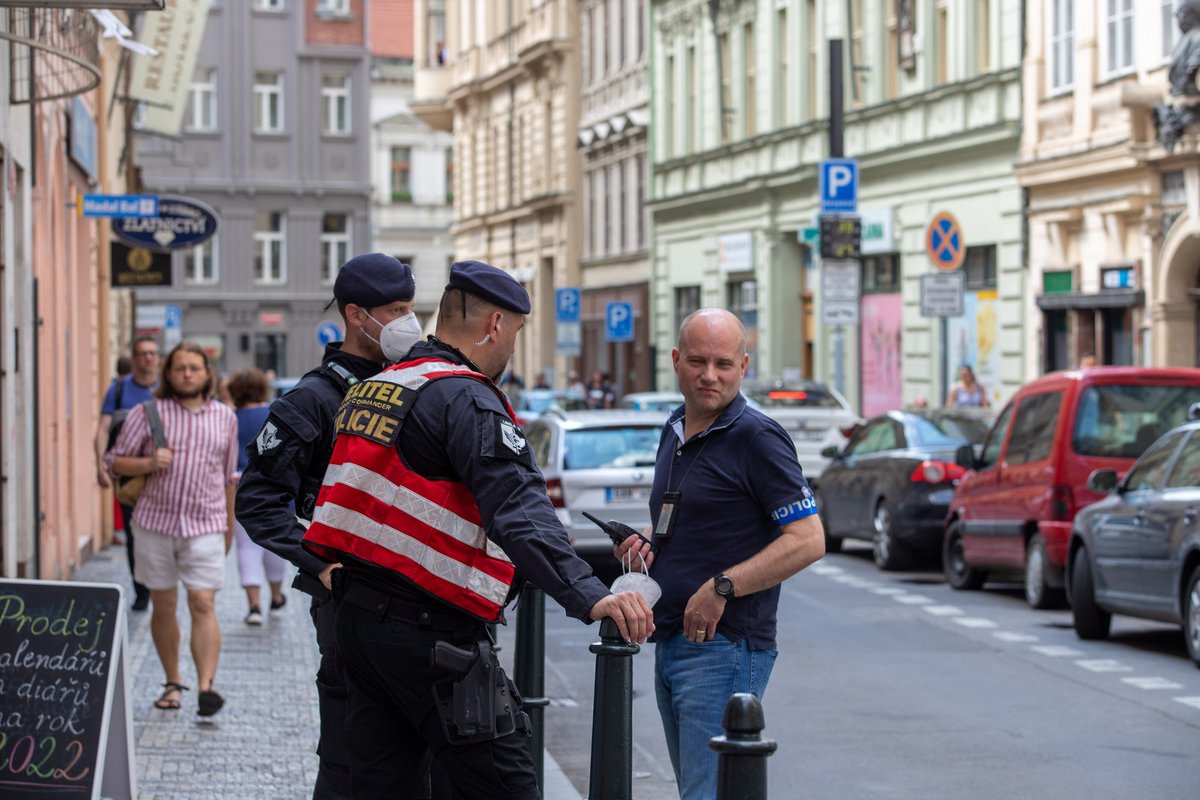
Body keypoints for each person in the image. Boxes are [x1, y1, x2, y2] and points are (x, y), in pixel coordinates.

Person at [301, 260, 654, 800]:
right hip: (431, 638)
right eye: (514, 332)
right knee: (504, 785)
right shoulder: (465, 396)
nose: (512, 347)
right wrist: (589, 595)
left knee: (379, 787)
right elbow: (517, 508)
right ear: (494, 326)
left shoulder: (381, 386)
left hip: (357, 625)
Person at [616, 308, 825, 800]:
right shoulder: (676, 427)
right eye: (697, 361)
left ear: (743, 366)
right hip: (671, 638)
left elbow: (808, 538)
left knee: (708, 795)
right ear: (675, 360)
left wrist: (721, 587)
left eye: (723, 364)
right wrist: (649, 542)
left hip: (725, 645)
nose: (710, 375)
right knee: (700, 790)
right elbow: (693, 519)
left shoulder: (758, 437)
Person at [235, 253, 419, 800]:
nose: (409, 321)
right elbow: (259, 500)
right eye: (398, 310)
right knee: (351, 753)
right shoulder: (313, 400)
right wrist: (320, 563)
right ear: (358, 315)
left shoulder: (416, 384)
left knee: (417, 756)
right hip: (348, 603)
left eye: (412, 307)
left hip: (414, 599)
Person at [106, 341, 239, 717]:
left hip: (206, 524)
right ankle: (172, 681)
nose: (187, 374)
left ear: (206, 374)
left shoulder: (224, 417)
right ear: (169, 374)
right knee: (163, 607)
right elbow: (113, 462)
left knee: (202, 601)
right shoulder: (147, 413)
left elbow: (229, 476)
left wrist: (229, 526)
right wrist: (147, 462)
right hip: (154, 526)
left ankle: (206, 686)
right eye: (180, 368)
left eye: (194, 368)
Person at [95, 336, 161, 611]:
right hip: (129, 476)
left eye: (152, 353)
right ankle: (142, 590)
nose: (147, 358)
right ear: (134, 359)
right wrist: (100, 462)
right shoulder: (119, 390)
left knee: (160, 532)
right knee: (135, 533)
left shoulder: (165, 389)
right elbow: (102, 427)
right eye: (142, 353)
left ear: (158, 359)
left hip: (162, 474)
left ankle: (160, 585)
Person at [227, 367, 288, 626]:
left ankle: (254, 606)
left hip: (242, 486)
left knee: (246, 546)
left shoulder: (230, 418)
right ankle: (276, 596)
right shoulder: (275, 414)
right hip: (275, 487)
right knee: (275, 544)